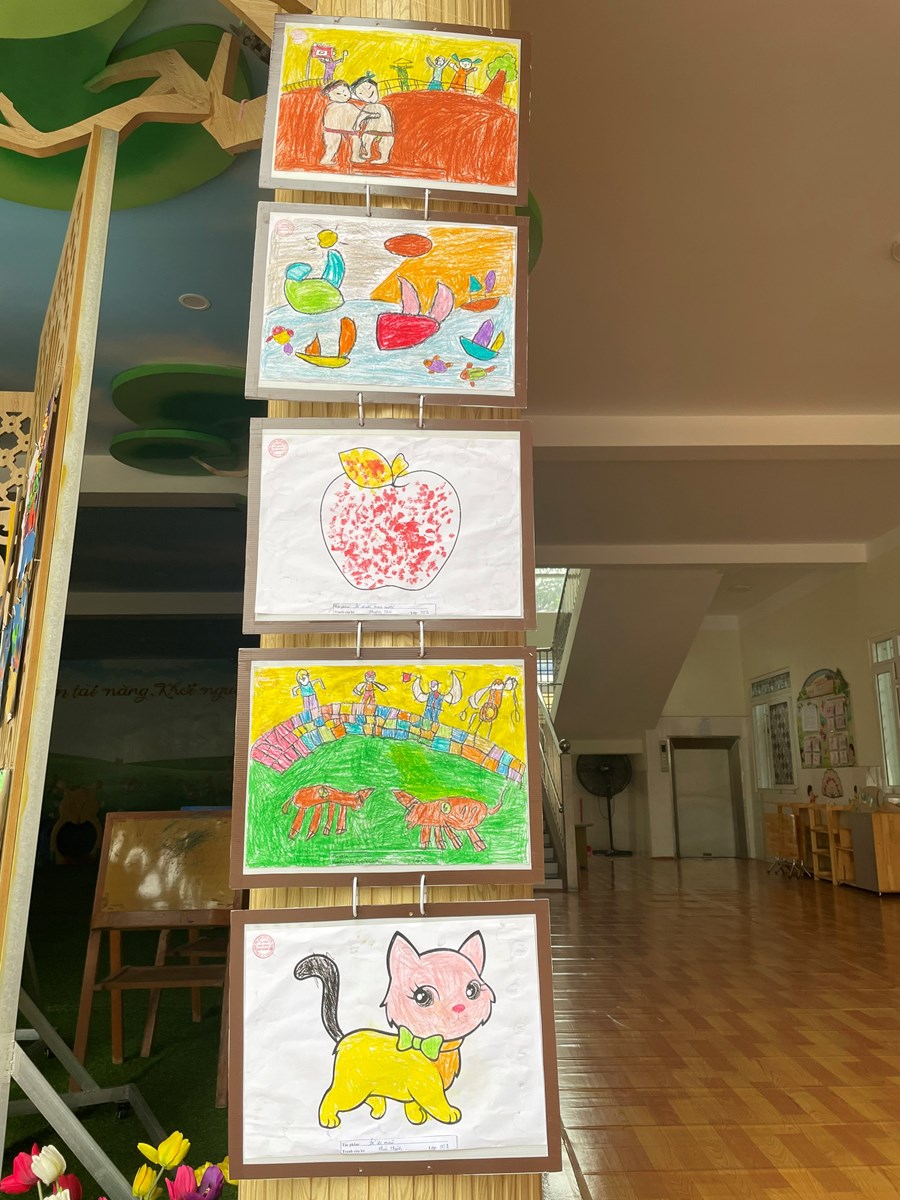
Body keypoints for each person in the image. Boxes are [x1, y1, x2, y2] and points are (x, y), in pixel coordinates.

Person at [350, 74, 395, 164]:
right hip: (370, 129)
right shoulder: (367, 107)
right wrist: (357, 124)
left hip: (386, 131)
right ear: (358, 97)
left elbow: (388, 119)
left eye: (370, 88)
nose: (367, 93)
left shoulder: (383, 107)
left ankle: (384, 158)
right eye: (361, 93)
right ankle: (368, 153)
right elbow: (361, 116)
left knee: (385, 143)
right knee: (366, 139)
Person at [320, 79, 357, 165]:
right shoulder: (331, 106)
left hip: (348, 130)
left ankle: (355, 156)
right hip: (332, 131)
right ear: (329, 95)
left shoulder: (350, 105)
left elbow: (358, 113)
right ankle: (326, 159)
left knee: (356, 140)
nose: (342, 95)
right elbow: (327, 120)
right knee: (332, 147)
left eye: (345, 93)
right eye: (338, 94)